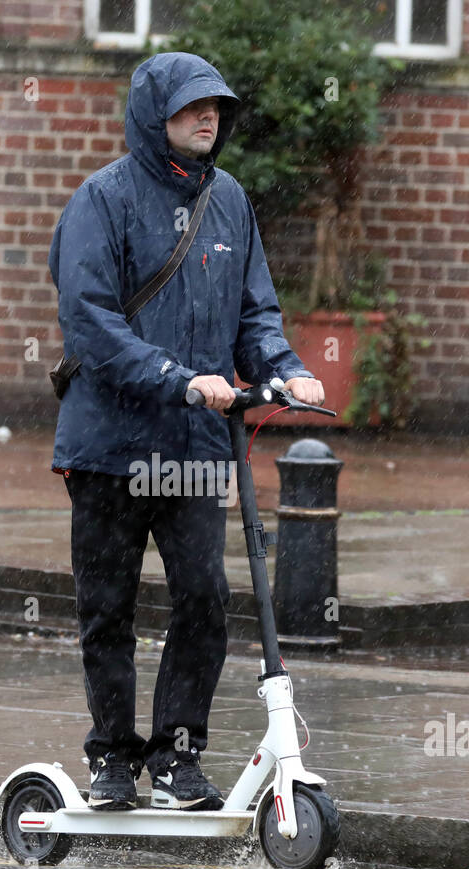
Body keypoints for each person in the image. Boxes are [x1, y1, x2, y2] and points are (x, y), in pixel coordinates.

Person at [47, 52, 325, 811]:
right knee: (108, 608)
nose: (210, 119)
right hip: (108, 446)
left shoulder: (229, 200)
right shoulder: (101, 200)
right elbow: (91, 323)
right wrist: (176, 378)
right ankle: (110, 757)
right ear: (152, 117)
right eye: (192, 108)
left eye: (218, 108)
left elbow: (254, 313)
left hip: (197, 449)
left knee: (204, 598)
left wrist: (287, 367)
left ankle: (175, 759)